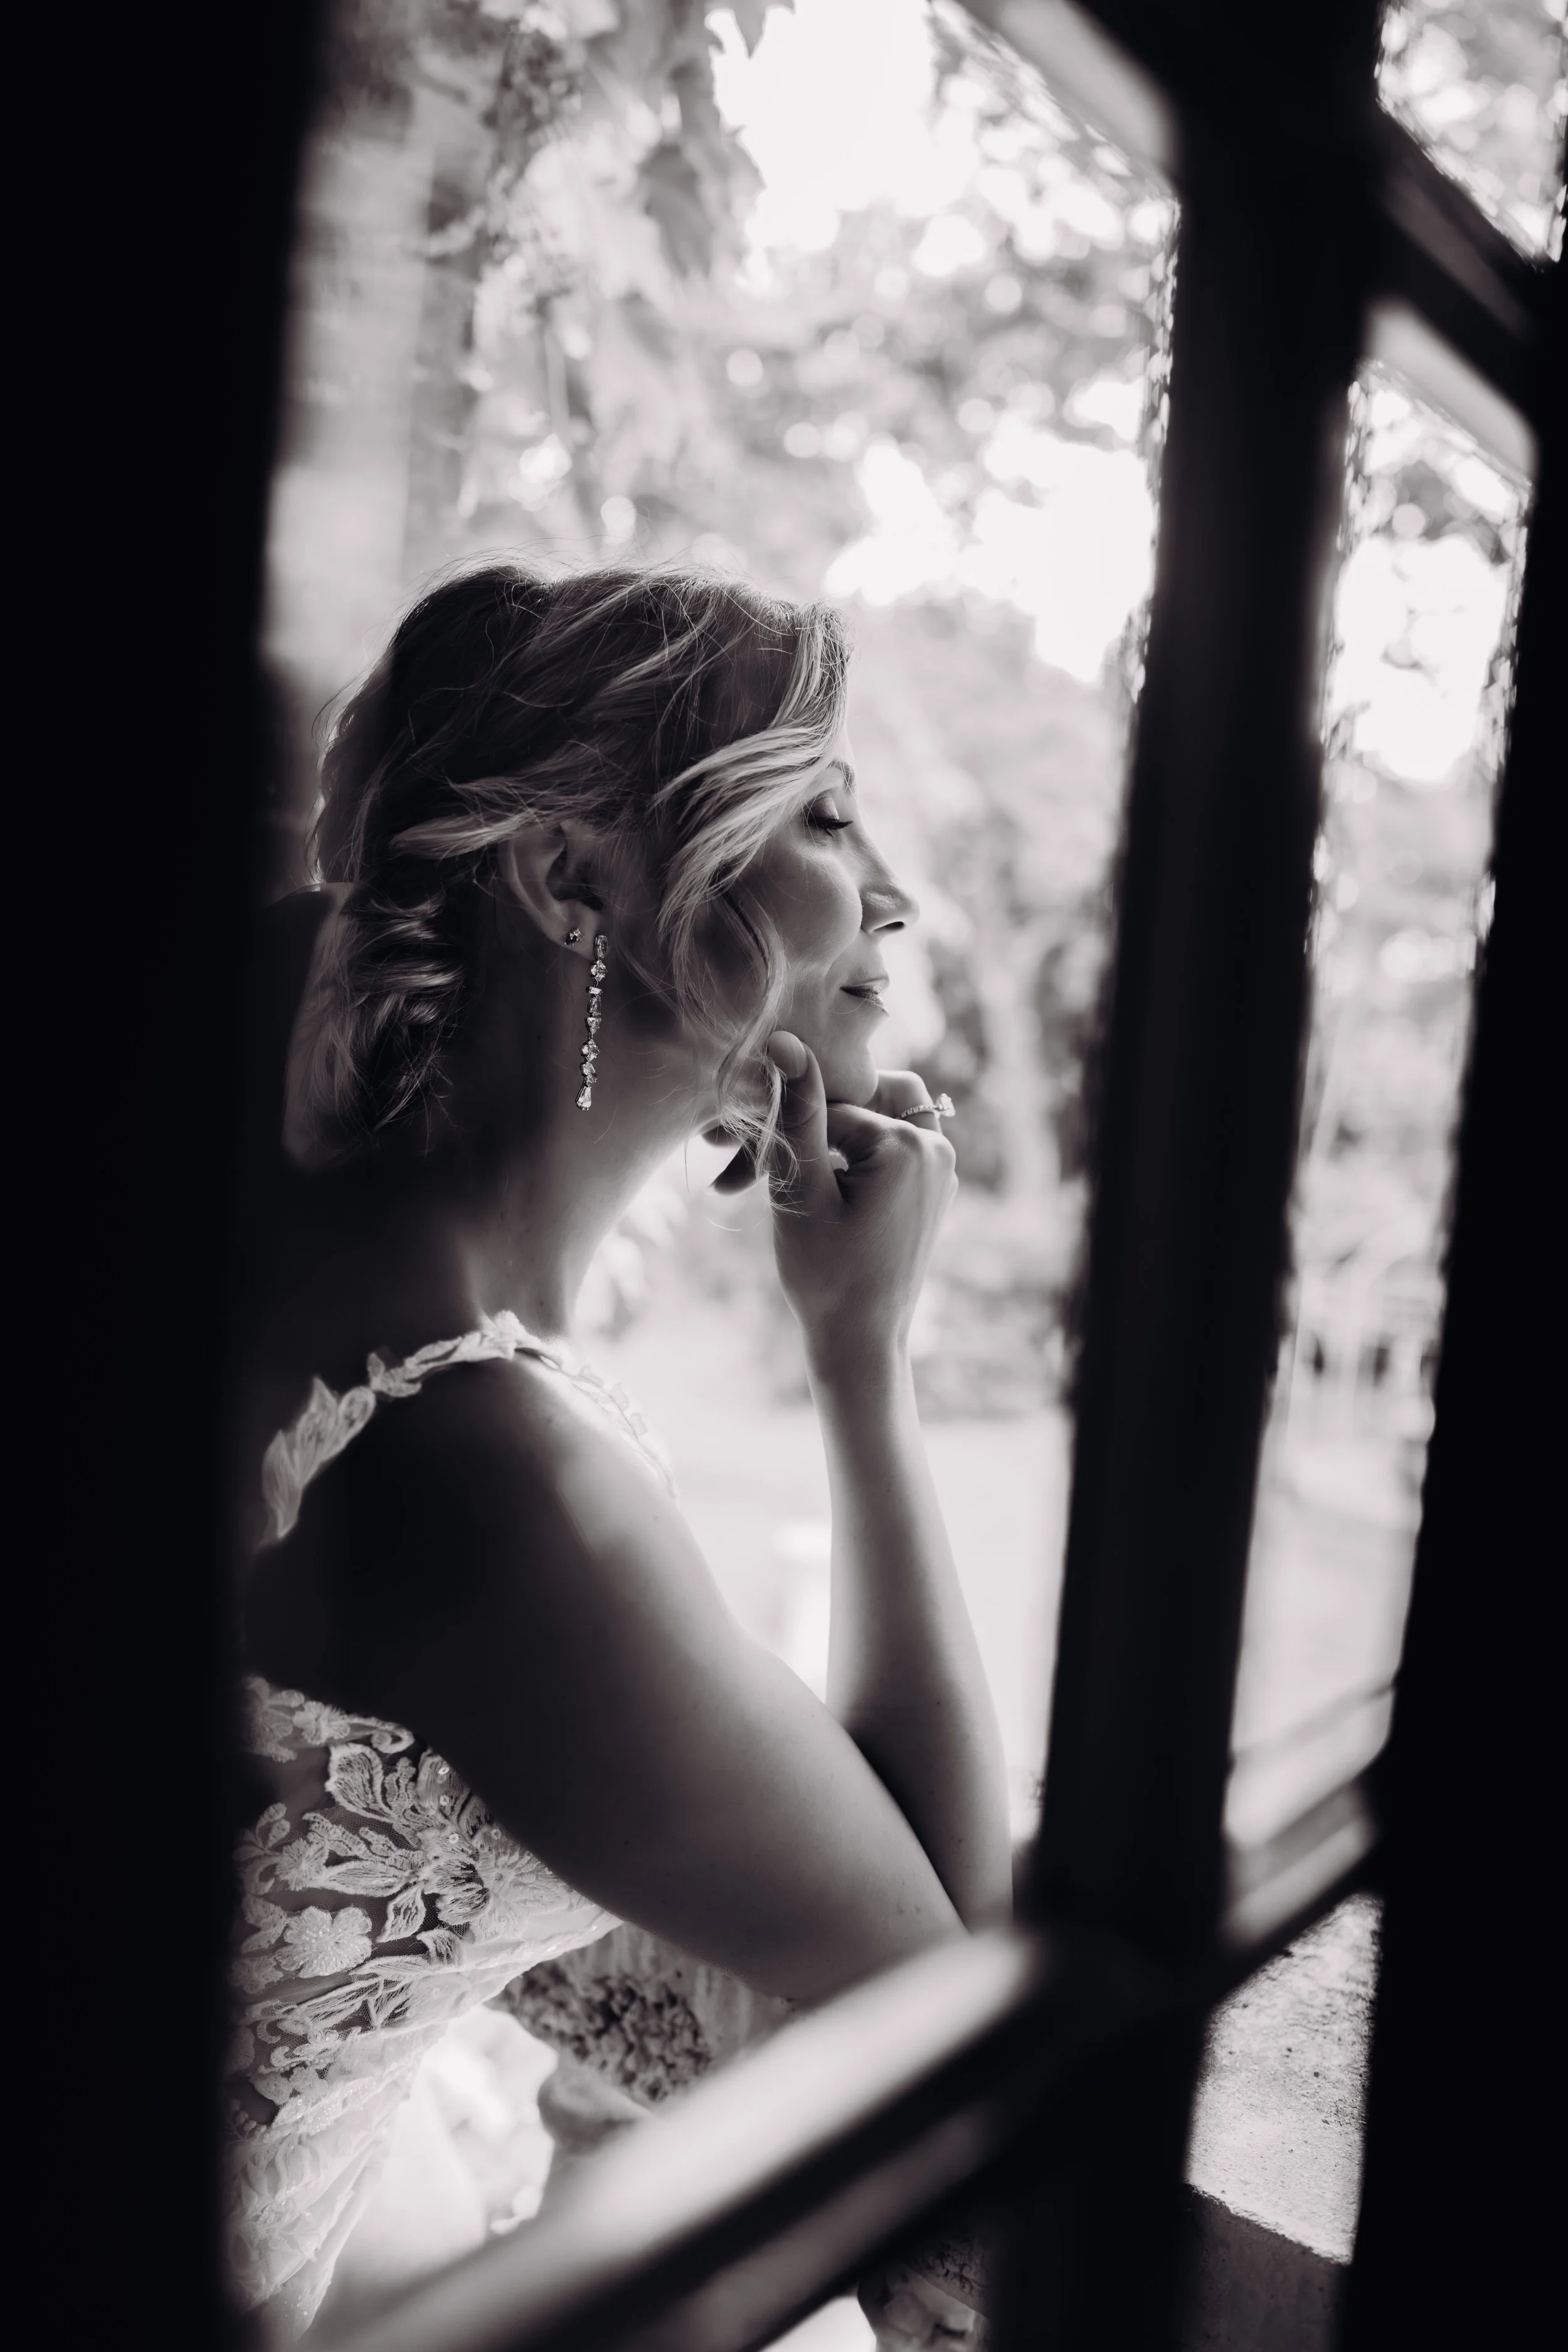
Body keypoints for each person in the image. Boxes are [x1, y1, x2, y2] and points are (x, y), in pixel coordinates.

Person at [228, 561, 1010, 2339]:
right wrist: (862, 1362)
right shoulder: (494, 1481)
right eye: (825, 818)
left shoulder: (324, 1275)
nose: (892, 894)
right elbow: (948, 1989)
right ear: (569, 879)